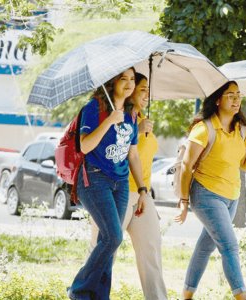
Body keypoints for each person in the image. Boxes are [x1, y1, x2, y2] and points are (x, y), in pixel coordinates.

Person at [175, 81, 246, 300]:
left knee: (204, 247)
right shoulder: (204, 129)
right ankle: (242, 296)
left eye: (238, 95)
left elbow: (245, 165)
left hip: (232, 196)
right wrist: (184, 201)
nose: (236, 100)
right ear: (217, 100)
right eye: (230, 95)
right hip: (206, 194)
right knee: (229, 245)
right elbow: (187, 167)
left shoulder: (242, 129)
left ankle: (186, 295)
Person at [67, 67, 147, 300]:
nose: (129, 83)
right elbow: (85, 146)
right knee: (114, 236)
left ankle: (100, 295)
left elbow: (132, 155)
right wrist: (110, 121)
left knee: (108, 241)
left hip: (120, 182)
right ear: (112, 82)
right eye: (123, 78)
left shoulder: (131, 113)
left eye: (132, 79)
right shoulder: (95, 107)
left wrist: (142, 189)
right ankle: (79, 289)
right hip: (94, 178)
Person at [90, 72, 168, 300]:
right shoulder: (114, 117)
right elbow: (108, 156)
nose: (146, 93)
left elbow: (141, 159)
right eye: (142, 88)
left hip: (141, 195)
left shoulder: (141, 118)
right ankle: (90, 295)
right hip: (115, 192)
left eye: (146, 89)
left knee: (151, 251)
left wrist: (144, 191)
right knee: (105, 252)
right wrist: (136, 130)